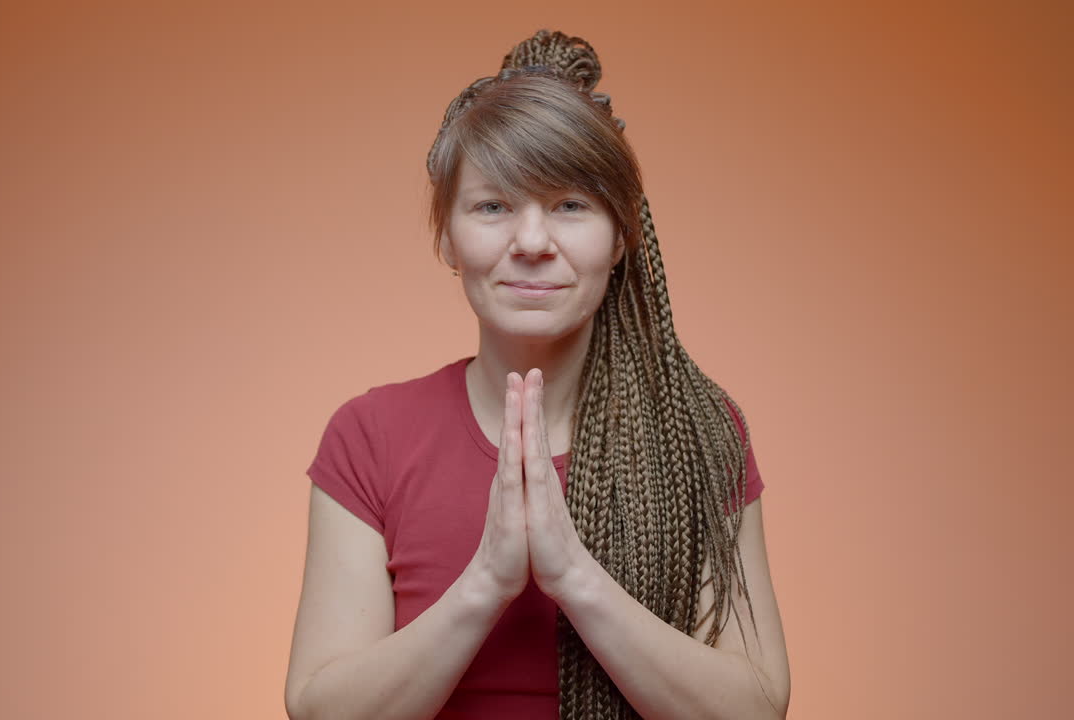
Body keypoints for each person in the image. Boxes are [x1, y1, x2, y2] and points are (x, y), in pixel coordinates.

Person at [284, 29, 790, 720]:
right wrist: (486, 584)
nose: (530, 242)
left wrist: (572, 577)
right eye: (493, 205)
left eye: (570, 205)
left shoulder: (701, 433)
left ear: (621, 237)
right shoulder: (369, 437)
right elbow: (321, 713)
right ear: (447, 238)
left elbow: (755, 710)